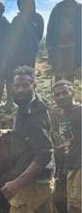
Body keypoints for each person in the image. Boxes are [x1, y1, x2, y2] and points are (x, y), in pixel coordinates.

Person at [0, 66, 57, 213]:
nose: (20, 90)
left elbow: (44, 153)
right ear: (11, 87)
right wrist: (9, 131)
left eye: (25, 85)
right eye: (17, 86)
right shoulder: (26, 105)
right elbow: (30, 135)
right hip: (43, 179)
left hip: (33, 183)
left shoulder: (34, 115)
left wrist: (16, 183)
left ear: (33, 86)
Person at [6, 0, 44, 109]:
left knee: (28, 77)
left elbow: (39, 35)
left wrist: (31, 47)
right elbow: (11, 36)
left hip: (29, 54)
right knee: (12, 77)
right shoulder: (16, 19)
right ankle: (10, 101)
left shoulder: (38, 18)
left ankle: (29, 100)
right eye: (21, 4)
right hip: (15, 55)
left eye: (26, 3)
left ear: (32, 3)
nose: (24, 6)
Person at [52, 80, 81, 213]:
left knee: (76, 204)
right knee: (71, 205)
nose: (61, 97)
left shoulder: (79, 112)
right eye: (57, 95)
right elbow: (65, 143)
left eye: (65, 92)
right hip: (71, 165)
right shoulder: (62, 115)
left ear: (73, 92)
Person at [46, 0, 81, 82]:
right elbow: (50, 28)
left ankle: (69, 95)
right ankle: (58, 95)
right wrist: (50, 47)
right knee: (58, 73)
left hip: (74, 47)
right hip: (58, 46)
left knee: (71, 74)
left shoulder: (79, 8)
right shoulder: (57, 8)